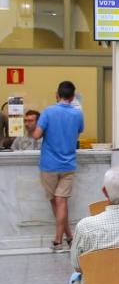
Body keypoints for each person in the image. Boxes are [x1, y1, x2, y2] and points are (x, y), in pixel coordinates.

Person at [34, 82, 84, 253]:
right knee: (61, 201)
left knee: (56, 202)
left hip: (49, 164)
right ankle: (69, 237)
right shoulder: (78, 114)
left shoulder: (48, 112)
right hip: (68, 164)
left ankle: (57, 241)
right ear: (73, 96)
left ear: (57, 94)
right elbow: (77, 133)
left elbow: (36, 135)